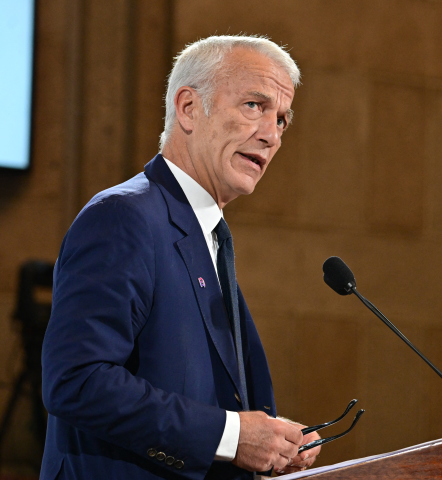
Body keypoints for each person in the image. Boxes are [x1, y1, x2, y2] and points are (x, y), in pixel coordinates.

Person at [40, 35, 321, 480]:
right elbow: (77, 381)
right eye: (254, 105)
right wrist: (231, 436)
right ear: (188, 108)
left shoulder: (207, 235)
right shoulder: (123, 218)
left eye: (282, 119)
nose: (271, 134)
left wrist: (270, 440)